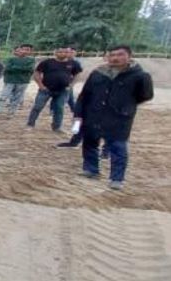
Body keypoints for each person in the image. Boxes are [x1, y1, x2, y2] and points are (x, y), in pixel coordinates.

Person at [74, 45, 153, 190]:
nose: (115, 58)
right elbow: (84, 95)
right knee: (90, 143)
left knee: (118, 148)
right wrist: (78, 114)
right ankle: (91, 169)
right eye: (112, 55)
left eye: (120, 54)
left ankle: (116, 179)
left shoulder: (140, 76)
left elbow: (145, 95)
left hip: (119, 118)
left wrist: (125, 106)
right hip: (94, 114)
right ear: (107, 57)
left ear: (129, 56)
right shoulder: (98, 73)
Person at [26, 45, 80, 132]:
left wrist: (71, 85)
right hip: (46, 90)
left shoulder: (73, 63)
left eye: (65, 52)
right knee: (37, 107)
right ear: (55, 53)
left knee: (59, 108)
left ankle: (57, 127)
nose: (63, 54)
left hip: (63, 90)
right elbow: (37, 72)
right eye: (60, 52)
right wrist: (41, 85)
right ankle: (30, 124)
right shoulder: (47, 62)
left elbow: (77, 74)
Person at [0, 44, 35, 116]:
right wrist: (22, 68)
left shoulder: (31, 60)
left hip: (23, 81)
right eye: (23, 49)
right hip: (10, 80)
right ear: (19, 49)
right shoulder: (11, 59)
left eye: (27, 50)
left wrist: (15, 67)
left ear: (31, 51)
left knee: (17, 97)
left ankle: (12, 111)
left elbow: (29, 69)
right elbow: (8, 68)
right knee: (4, 95)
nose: (24, 51)